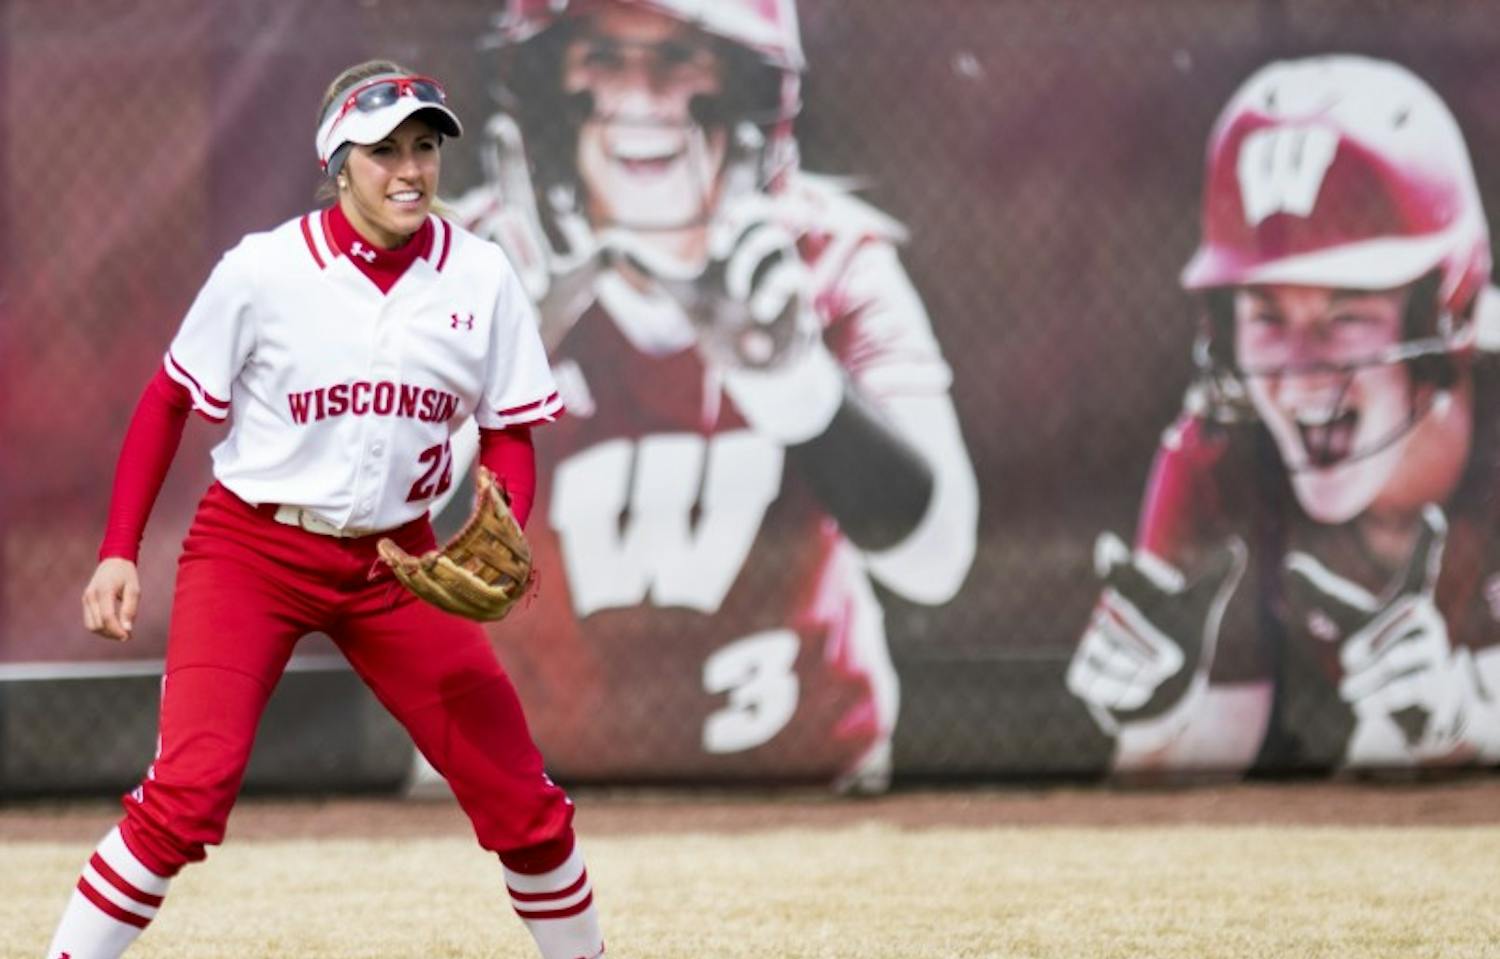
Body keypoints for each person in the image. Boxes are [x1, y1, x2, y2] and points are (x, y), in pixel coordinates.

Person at [0, 60, 679, 959]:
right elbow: (168, 400)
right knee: (186, 795)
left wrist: (501, 518)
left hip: (399, 561)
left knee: (523, 799)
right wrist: (119, 547)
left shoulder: (480, 276)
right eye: (384, 150)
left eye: (425, 147)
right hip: (254, 549)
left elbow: (510, 429)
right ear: (337, 163)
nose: (409, 169)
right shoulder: (265, 271)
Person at [442, 0, 980, 794]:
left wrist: (793, 380)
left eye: (680, 56)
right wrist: (483, 379)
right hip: (521, 791)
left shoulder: (827, 257)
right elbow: (355, 550)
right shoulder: (468, 264)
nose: (640, 97)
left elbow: (937, 559)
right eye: (603, 57)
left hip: (808, 783)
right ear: (551, 80)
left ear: (746, 83)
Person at [1066, 55, 1500, 777]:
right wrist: (1157, 718)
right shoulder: (1223, 456)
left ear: (1444, 313)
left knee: (1391, 748)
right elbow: (1179, 771)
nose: (1300, 374)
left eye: (1346, 314)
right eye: (1266, 316)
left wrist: (1464, 722)